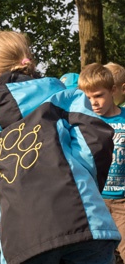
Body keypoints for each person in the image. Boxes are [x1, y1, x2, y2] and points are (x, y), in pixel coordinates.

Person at [0, 31, 120, 264]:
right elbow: (96, 143)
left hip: (25, 241)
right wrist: (82, 186)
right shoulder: (67, 101)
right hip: (88, 227)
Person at [78, 63, 125, 264]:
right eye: (88, 98)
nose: (94, 103)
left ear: (113, 90)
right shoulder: (84, 121)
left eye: (98, 95)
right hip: (94, 201)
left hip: (122, 201)